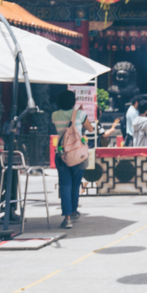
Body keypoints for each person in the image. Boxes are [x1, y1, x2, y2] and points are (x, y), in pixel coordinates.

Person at [52, 90, 94, 229]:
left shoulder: (55, 115)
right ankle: (74, 210)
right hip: (78, 155)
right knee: (75, 185)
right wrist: (79, 114)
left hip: (62, 153)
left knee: (65, 186)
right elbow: (90, 129)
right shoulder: (80, 114)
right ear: (73, 101)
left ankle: (67, 217)